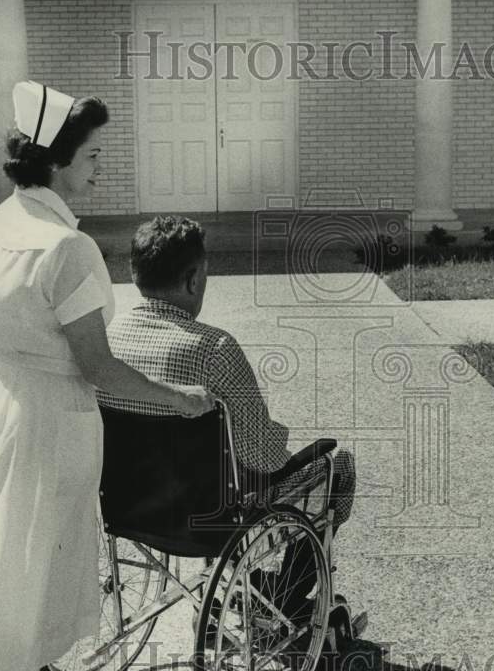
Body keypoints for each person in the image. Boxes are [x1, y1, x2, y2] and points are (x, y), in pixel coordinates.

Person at [0, 84, 213, 671]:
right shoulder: (67, 247)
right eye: (91, 157)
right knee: (26, 591)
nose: (100, 170)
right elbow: (98, 367)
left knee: (7, 579)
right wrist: (181, 400)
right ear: (57, 161)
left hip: (1, 409)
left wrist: (21, 377)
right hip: (49, 425)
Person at [97, 216, 356, 611]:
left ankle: (251, 584)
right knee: (339, 467)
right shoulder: (215, 348)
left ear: (135, 273)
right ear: (193, 280)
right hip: (210, 515)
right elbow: (263, 457)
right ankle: (284, 595)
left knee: (220, 469)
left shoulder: (107, 344)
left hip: (130, 507)